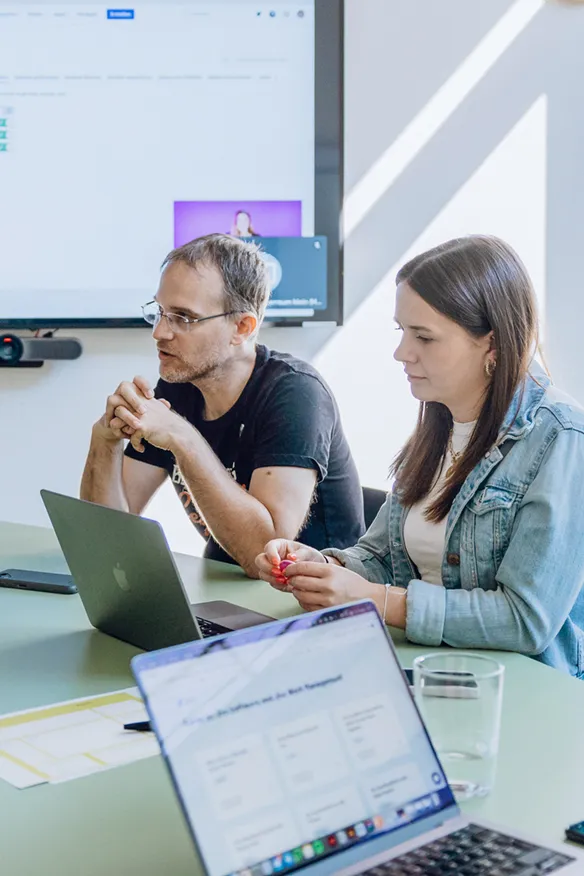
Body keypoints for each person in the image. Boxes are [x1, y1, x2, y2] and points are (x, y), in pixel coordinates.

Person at [257, 235, 584, 677]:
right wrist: (322, 566)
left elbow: (526, 620)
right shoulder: (441, 419)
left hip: (521, 691)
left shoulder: (562, 437)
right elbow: (383, 559)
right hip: (427, 670)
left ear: (493, 345)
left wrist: (377, 600)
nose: (401, 353)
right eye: (402, 332)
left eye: (424, 337)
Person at [81, 233, 364, 577]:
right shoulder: (179, 385)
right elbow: (107, 536)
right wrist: (105, 439)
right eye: (160, 312)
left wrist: (181, 436)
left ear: (242, 327)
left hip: (311, 604)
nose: (159, 332)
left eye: (183, 317)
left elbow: (266, 556)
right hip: (225, 587)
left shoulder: (296, 393)